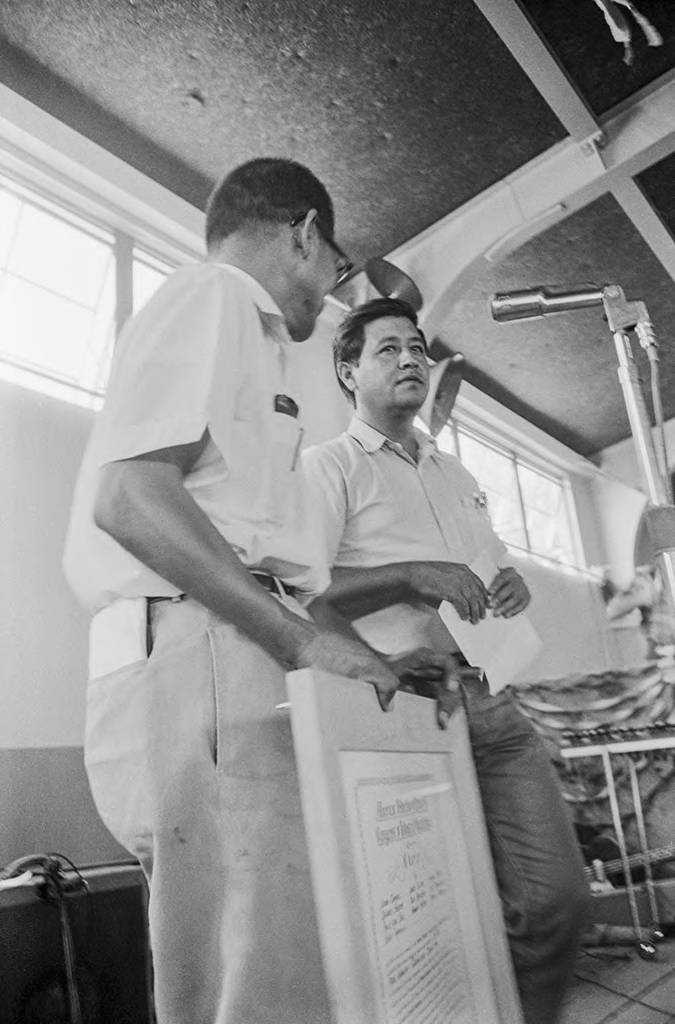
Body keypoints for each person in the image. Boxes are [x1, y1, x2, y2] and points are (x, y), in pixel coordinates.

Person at [63, 161, 433, 1024]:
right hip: (201, 649)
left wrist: (370, 661)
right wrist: (300, 644)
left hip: (230, 647)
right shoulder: (217, 296)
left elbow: (283, 570)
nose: (330, 292)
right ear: (304, 233)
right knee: (248, 971)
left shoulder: (260, 356)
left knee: (270, 954)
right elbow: (128, 497)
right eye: (335, 268)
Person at [302, 296, 592, 1024]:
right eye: (388, 349)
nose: (410, 360)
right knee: (434, 928)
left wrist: (511, 582)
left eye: (418, 349)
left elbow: (485, 572)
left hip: (491, 703)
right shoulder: (327, 468)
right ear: (348, 372)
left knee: (556, 896)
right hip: (406, 714)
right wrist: (407, 576)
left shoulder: (456, 474)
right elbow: (302, 596)